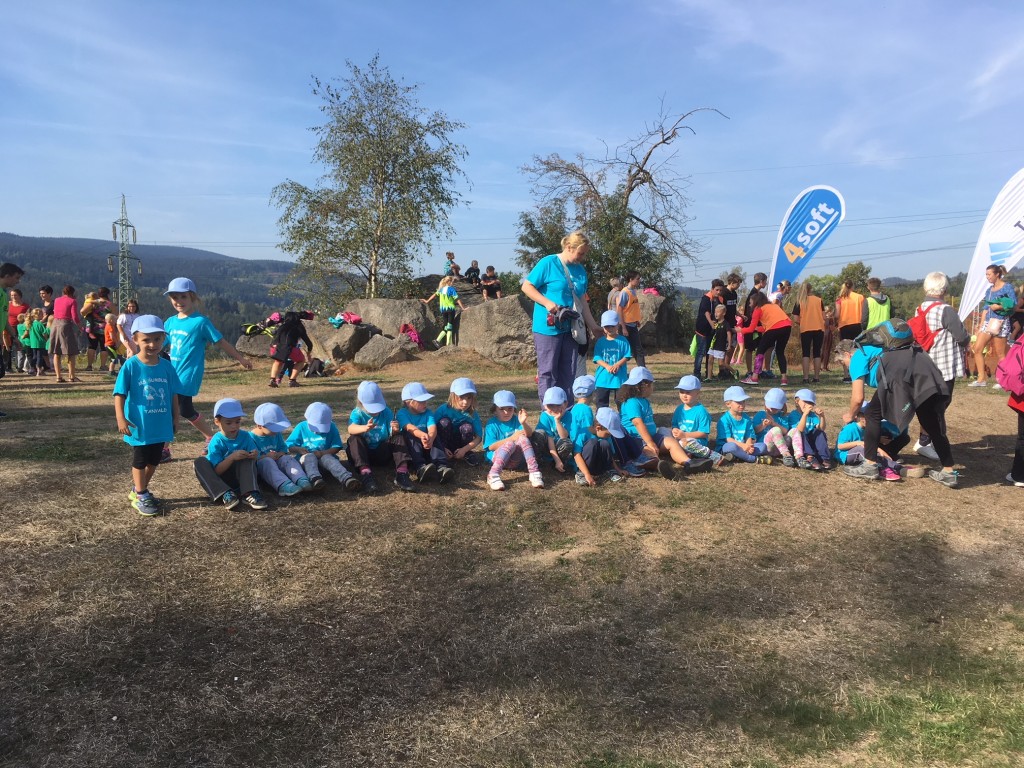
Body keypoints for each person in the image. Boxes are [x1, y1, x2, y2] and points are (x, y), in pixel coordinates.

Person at [834, 339, 957, 487]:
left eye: (843, 363)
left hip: (898, 375)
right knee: (930, 422)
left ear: (847, 354)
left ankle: (870, 465)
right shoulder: (876, 348)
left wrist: (851, 415)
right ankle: (948, 471)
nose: (846, 367)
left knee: (872, 414)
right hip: (923, 366)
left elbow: (858, 398)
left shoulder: (858, 356)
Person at [162, 277, 254, 456]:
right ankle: (210, 437)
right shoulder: (170, 322)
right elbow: (159, 344)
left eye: (183, 297)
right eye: (174, 297)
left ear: (193, 297)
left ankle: (164, 449)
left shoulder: (201, 322)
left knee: (173, 409)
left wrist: (241, 359)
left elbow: (221, 342)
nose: (179, 301)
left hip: (188, 375)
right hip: (172, 374)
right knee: (185, 410)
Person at [112, 315, 182, 516]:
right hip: (139, 424)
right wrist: (120, 418)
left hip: (161, 424)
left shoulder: (167, 366)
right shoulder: (131, 365)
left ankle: (138, 489)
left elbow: (173, 393)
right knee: (141, 460)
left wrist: (176, 417)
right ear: (135, 339)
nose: (152, 344)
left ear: (163, 339)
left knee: (155, 460)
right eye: (146, 339)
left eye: (157, 339)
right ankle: (141, 494)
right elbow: (119, 394)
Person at [521, 231, 601, 402]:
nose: (583, 257)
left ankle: (566, 410)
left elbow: (582, 301)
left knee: (569, 372)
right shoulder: (548, 263)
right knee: (548, 372)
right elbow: (527, 287)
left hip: (571, 329)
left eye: (584, 254)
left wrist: (593, 326)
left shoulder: (580, 271)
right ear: (569, 247)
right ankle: (549, 411)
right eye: (580, 253)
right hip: (547, 329)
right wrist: (547, 303)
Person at [913, 272, 970, 461]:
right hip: (943, 366)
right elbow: (961, 337)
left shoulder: (919, 309)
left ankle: (926, 439)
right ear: (944, 289)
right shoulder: (946, 310)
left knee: (927, 404)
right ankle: (927, 442)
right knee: (940, 405)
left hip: (924, 363)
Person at [619, 366, 708, 481]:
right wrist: (650, 443)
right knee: (650, 454)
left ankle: (689, 463)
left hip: (651, 437)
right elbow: (638, 423)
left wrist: (652, 441)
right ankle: (656, 466)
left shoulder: (644, 401)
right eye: (652, 385)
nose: (653, 388)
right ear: (644, 386)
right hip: (636, 439)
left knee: (671, 442)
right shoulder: (632, 402)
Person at [194, 398, 269, 511]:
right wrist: (231, 458)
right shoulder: (216, 441)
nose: (234, 426)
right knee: (199, 462)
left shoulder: (245, 436)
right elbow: (216, 472)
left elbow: (255, 459)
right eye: (228, 423)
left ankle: (249, 493)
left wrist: (254, 455)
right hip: (223, 480)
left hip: (244, 478)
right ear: (217, 422)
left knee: (246, 458)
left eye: (237, 421)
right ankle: (225, 494)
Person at [346, 380, 413, 494]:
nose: (375, 411)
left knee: (399, 437)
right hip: (363, 455)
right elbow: (351, 429)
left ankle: (402, 473)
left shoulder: (386, 411)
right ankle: (366, 474)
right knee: (354, 439)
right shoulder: (357, 413)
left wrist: (395, 430)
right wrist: (365, 428)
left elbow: (391, 433)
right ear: (361, 402)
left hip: (382, 452)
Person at [286, 401, 361, 492]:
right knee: (309, 457)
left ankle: (347, 478)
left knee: (327, 458)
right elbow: (289, 446)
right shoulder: (301, 427)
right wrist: (299, 449)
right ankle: (315, 479)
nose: (317, 431)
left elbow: (337, 446)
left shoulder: (332, 427)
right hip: (306, 461)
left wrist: (322, 453)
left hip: (325, 459)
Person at [483, 390, 544, 491]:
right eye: (501, 409)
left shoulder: (516, 420)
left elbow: (529, 434)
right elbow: (491, 446)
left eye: (510, 409)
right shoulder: (492, 424)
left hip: (515, 460)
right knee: (510, 444)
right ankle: (493, 475)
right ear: (495, 409)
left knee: (523, 438)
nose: (506, 412)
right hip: (497, 458)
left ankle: (534, 472)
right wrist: (512, 438)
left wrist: (523, 423)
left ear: (514, 409)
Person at [397, 382, 453, 484]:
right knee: (410, 435)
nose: (425, 403)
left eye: (425, 400)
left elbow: (432, 428)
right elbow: (409, 427)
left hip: (427, 445)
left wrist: (430, 438)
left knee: (435, 436)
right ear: (408, 403)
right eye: (421, 401)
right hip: (412, 452)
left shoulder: (428, 412)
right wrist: (423, 435)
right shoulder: (402, 413)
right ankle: (420, 468)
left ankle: (441, 467)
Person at [969, 264, 1015, 388]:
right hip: (988, 322)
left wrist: (998, 306)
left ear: (997, 274)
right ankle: (981, 379)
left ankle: (1002, 380)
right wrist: (980, 326)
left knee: (1000, 353)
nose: (987, 277)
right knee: (977, 348)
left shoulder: (1007, 287)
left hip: (1001, 322)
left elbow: (1013, 304)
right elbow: (985, 309)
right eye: (986, 274)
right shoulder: (989, 290)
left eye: (989, 274)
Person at [249, 403, 308, 497]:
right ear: (259, 426)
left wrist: (279, 453)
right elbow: (253, 458)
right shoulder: (250, 438)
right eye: (274, 428)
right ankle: (283, 485)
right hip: (263, 468)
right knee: (267, 461)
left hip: (277, 462)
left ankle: (301, 478)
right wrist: (266, 456)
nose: (277, 431)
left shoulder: (276, 433)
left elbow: (283, 448)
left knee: (287, 458)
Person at [669, 375, 727, 467]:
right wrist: (674, 430)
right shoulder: (679, 409)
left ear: (697, 393)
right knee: (663, 433)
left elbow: (703, 433)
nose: (684, 395)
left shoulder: (701, 411)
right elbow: (674, 425)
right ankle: (689, 455)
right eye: (681, 392)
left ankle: (712, 455)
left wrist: (684, 435)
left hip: (696, 441)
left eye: (688, 392)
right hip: (680, 438)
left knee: (685, 443)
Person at [739, 292, 793, 386]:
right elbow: (766, 327)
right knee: (780, 351)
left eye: (750, 302)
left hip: (774, 328)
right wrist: (757, 329)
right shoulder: (773, 306)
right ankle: (784, 379)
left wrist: (740, 330)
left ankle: (754, 377)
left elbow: (751, 329)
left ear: (756, 302)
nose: (749, 305)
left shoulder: (758, 309)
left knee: (760, 350)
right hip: (787, 326)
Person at [715, 385, 772, 463]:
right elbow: (728, 439)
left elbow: (749, 435)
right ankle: (753, 459)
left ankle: (737, 456)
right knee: (731, 447)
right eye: (738, 402)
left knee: (763, 446)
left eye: (743, 401)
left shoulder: (746, 419)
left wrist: (748, 445)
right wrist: (743, 446)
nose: (742, 404)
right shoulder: (724, 419)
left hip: (744, 446)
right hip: (728, 446)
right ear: (728, 404)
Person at [435, 377, 483, 467]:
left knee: (467, 427)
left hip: (462, 445)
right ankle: (441, 454)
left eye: (469, 398)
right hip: (443, 444)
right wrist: (442, 447)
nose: (465, 402)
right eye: (461, 397)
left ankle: (466, 453)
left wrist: (464, 449)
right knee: (444, 422)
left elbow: (478, 437)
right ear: (452, 396)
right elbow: (431, 431)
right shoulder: (443, 409)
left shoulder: (472, 413)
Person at [530, 386, 574, 474]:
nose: (554, 409)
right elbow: (549, 439)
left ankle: (559, 463)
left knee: (566, 442)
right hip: (547, 447)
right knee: (539, 434)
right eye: (550, 405)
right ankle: (539, 460)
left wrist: (557, 421)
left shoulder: (569, 415)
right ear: (545, 406)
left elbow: (564, 436)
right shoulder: (545, 416)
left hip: (559, 447)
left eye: (558, 405)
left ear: (565, 404)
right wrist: (556, 458)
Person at [593, 309, 632, 408]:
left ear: (618, 325)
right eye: (606, 326)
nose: (609, 328)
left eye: (612, 326)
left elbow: (627, 356)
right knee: (601, 402)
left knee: (621, 401)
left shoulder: (623, 341)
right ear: (603, 327)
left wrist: (618, 364)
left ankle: (623, 417)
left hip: (619, 377)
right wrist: (607, 366)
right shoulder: (600, 342)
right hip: (603, 378)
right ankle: (601, 417)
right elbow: (597, 357)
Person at [750, 387, 797, 466]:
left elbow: (785, 431)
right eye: (771, 407)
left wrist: (774, 423)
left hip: (779, 446)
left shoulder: (782, 416)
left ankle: (799, 456)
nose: (773, 409)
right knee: (775, 430)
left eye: (776, 408)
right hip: (766, 446)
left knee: (795, 431)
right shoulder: (760, 414)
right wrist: (763, 425)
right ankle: (786, 454)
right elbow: (755, 431)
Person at [268, 311, 314, 387]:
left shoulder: (282, 326)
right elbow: (308, 343)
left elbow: (276, 338)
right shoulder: (299, 326)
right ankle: (292, 381)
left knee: (278, 361)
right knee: (301, 360)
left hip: (275, 347)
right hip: (290, 348)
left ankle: (272, 379)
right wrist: (308, 354)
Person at [791, 281, 825, 383]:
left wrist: (802, 322)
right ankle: (816, 377)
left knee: (805, 353)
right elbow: (824, 316)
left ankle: (805, 377)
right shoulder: (819, 300)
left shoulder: (800, 301)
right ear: (811, 289)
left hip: (805, 329)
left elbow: (795, 318)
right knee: (817, 353)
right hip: (819, 328)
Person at [790, 388, 831, 470]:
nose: (808, 405)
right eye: (805, 402)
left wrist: (822, 417)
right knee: (801, 433)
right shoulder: (793, 414)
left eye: (810, 403)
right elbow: (800, 429)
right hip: (800, 443)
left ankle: (824, 458)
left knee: (819, 432)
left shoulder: (812, 415)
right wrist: (805, 414)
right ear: (797, 401)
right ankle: (810, 457)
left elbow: (821, 428)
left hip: (811, 441)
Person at [50, 284, 83, 384]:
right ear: (72, 293)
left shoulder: (56, 300)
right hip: (65, 325)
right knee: (70, 351)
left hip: (55, 324)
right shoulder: (72, 301)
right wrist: (80, 326)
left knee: (56, 351)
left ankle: (58, 377)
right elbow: (74, 316)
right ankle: (71, 376)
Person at [692, 279, 725, 379]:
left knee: (709, 353)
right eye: (717, 290)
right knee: (701, 352)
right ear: (712, 289)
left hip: (712, 331)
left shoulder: (719, 299)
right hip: (702, 329)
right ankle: (697, 373)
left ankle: (708, 373)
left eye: (720, 290)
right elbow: (706, 312)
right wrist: (711, 323)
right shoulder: (706, 299)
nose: (718, 292)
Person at [422, 276, 466, 348]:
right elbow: (457, 299)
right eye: (452, 282)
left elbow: (434, 295)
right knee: (450, 326)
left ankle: (437, 340)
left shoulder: (441, 289)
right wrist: (463, 308)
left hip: (443, 310)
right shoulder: (451, 289)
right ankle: (449, 344)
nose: (453, 283)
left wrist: (427, 301)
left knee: (446, 326)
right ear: (449, 282)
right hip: (450, 309)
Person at [836, 280, 866, 382]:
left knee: (845, 350)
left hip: (844, 326)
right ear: (852, 286)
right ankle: (858, 374)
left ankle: (846, 375)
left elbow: (837, 315)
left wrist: (834, 322)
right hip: (858, 325)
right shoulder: (860, 297)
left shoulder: (840, 299)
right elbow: (864, 312)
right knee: (857, 350)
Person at [741, 272, 768, 376]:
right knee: (750, 348)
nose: (766, 283)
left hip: (757, 326)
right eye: (765, 281)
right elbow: (750, 312)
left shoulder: (758, 293)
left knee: (760, 348)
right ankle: (749, 371)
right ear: (761, 281)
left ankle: (758, 370)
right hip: (751, 326)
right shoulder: (754, 294)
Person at [617, 271, 646, 367]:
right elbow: (620, 310)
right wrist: (623, 327)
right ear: (631, 279)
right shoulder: (625, 292)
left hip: (633, 325)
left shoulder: (633, 291)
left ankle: (643, 372)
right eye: (637, 279)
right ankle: (619, 370)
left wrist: (636, 320)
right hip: (626, 326)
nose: (639, 280)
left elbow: (631, 308)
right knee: (624, 351)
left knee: (638, 350)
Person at [5, 287, 29, 374]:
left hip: (20, 328)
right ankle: (8, 367)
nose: (13, 297)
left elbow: (28, 317)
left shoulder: (25, 306)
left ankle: (20, 367)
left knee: (21, 348)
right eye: (12, 295)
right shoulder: (8, 304)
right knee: (8, 347)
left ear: (20, 296)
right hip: (8, 327)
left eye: (15, 295)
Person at [721, 273, 742, 365]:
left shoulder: (734, 294)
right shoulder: (723, 293)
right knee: (725, 347)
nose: (739, 286)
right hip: (725, 324)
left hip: (733, 323)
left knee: (732, 345)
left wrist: (741, 315)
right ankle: (722, 367)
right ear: (732, 283)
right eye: (738, 284)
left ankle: (727, 366)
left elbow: (733, 308)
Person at [24, 308, 48, 376]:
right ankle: (39, 370)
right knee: (40, 357)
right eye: (41, 314)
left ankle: (32, 367)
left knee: (34, 356)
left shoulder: (30, 324)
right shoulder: (39, 324)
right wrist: (47, 339)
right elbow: (44, 333)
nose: (43, 315)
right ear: (38, 315)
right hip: (40, 343)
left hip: (33, 343)